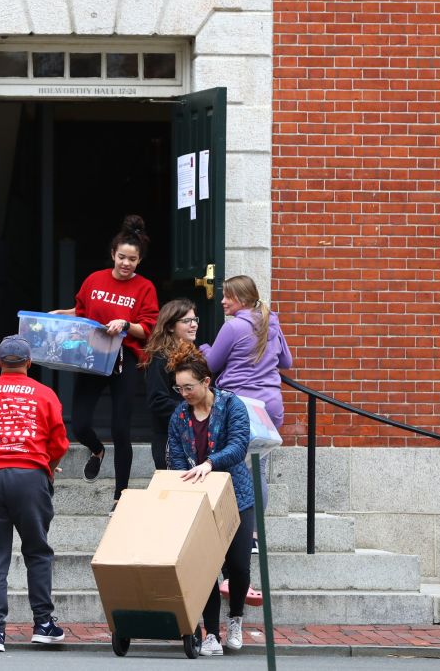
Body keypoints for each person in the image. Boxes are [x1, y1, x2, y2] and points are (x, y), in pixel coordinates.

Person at [0, 335, 70, 653]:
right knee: (37, 551)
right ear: (29, 363)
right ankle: (44, 624)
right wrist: (47, 466)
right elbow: (60, 443)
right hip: (30, 476)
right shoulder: (44, 394)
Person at [51, 214, 159, 512]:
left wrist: (125, 323)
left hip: (124, 362)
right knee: (81, 423)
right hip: (93, 357)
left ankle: (120, 494)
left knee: (121, 429)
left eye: (132, 259)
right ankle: (97, 450)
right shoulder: (94, 280)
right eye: (122, 257)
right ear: (113, 254)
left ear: (139, 261)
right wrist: (61, 315)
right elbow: (83, 311)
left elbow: (148, 327)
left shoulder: (145, 288)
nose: (126, 263)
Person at [167, 343, 254, 656]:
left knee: (240, 567)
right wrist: (182, 481)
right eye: (179, 388)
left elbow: (238, 447)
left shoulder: (232, 406)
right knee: (206, 568)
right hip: (198, 499)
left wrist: (208, 463)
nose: (184, 394)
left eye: (189, 387)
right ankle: (211, 633)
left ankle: (236, 618)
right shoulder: (179, 416)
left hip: (235, 496)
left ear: (206, 382)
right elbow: (175, 456)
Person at [200, 274, 293, 548]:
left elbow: (212, 364)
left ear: (241, 299)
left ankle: (232, 532)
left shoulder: (233, 327)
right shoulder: (270, 321)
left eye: (227, 296)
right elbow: (286, 361)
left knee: (231, 469)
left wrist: (204, 347)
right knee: (258, 471)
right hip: (270, 408)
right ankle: (254, 536)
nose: (223, 301)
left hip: (240, 406)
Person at [141, 298, 200, 470]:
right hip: (169, 439)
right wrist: (193, 413)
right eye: (186, 321)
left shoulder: (196, 356)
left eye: (195, 319)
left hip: (195, 437)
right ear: (170, 327)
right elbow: (157, 401)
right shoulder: (159, 359)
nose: (193, 325)